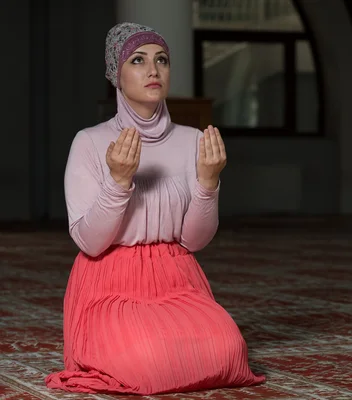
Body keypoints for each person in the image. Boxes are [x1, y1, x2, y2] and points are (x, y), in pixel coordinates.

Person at [44, 22, 265, 395]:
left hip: (176, 276)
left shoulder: (191, 140)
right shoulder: (90, 142)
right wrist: (118, 182)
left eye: (161, 59)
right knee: (146, 359)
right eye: (138, 60)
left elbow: (194, 240)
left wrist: (209, 183)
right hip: (109, 281)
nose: (153, 70)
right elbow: (90, 242)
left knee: (228, 350)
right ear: (117, 74)